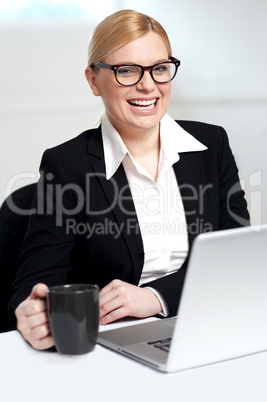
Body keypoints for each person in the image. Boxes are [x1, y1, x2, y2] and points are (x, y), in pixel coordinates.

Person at [8, 9, 249, 350]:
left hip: (208, 326)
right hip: (110, 343)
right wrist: (30, 313)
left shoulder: (212, 146)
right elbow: (32, 286)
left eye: (159, 68)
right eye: (127, 71)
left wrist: (155, 297)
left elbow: (237, 264)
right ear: (94, 80)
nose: (148, 85)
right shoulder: (66, 165)